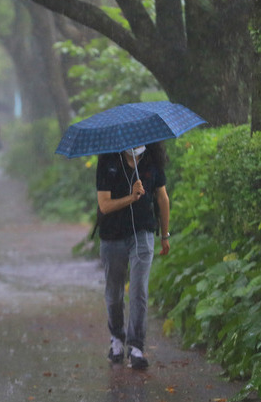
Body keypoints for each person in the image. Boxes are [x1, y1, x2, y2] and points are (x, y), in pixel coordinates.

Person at [96, 142, 170, 370]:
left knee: (139, 291)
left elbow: (162, 199)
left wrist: (165, 235)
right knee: (115, 293)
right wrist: (131, 197)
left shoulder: (152, 161)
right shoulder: (108, 160)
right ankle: (117, 338)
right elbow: (104, 205)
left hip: (142, 234)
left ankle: (136, 347)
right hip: (112, 236)